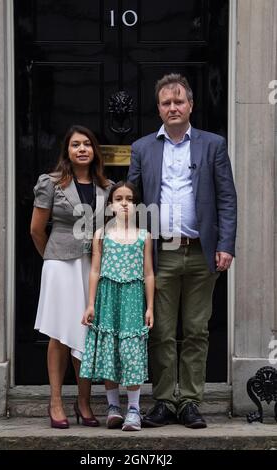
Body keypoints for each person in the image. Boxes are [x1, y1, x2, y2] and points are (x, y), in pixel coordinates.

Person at [128, 73, 237, 429]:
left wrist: (225, 245)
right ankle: (163, 401)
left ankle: (189, 401)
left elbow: (226, 198)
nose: (172, 108)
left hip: (202, 251)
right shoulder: (143, 148)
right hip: (160, 253)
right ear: (158, 109)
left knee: (195, 329)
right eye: (166, 103)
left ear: (191, 105)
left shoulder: (212, 145)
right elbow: (130, 199)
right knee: (159, 330)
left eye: (179, 101)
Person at [30, 124, 112, 428]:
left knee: (86, 334)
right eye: (75, 144)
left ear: (94, 151)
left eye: (87, 144)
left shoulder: (107, 186)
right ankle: (55, 401)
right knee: (59, 333)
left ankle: (83, 401)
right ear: (67, 150)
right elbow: (37, 230)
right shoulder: (51, 183)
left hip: (92, 266)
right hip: (59, 264)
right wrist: (52, 258)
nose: (81, 149)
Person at [79, 181, 154, 431]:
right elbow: (95, 270)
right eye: (119, 198)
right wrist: (90, 304)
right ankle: (113, 407)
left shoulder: (144, 236)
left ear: (137, 206)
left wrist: (150, 307)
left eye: (130, 199)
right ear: (110, 204)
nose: (124, 203)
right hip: (107, 298)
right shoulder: (102, 234)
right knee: (110, 349)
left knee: (131, 350)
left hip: (133, 299)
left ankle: (133, 409)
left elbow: (149, 273)